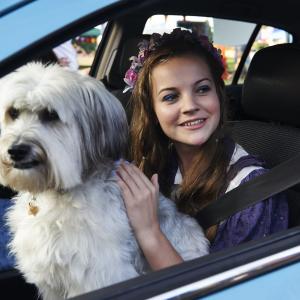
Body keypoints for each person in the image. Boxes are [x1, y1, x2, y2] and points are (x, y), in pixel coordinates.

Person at [116, 28, 288, 270]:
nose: (190, 106)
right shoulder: (157, 164)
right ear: (152, 112)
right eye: (170, 97)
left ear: (218, 94)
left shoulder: (251, 192)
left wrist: (149, 231)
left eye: (202, 89)